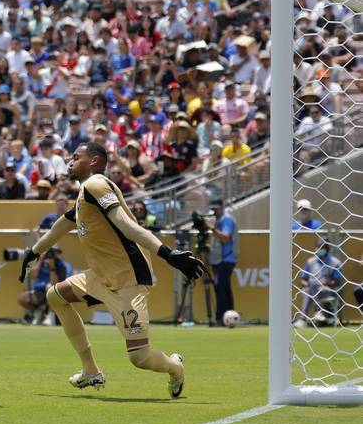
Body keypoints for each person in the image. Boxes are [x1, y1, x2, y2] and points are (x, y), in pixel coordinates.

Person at [19, 142, 204, 398]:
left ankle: (175, 367)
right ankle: (91, 370)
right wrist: (34, 252)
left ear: (94, 161)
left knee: (139, 357)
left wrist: (167, 253)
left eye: (76, 157)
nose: (70, 162)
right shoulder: (85, 194)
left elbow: (126, 225)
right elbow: (60, 227)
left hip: (125, 280)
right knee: (55, 296)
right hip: (98, 278)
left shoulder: (96, 185)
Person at [295, 240, 343, 328]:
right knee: (308, 289)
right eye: (318, 248)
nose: (319, 250)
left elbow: (337, 281)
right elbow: (303, 279)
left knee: (312, 288)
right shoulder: (310, 261)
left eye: (321, 248)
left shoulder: (335, 262)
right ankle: (316, 312)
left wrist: (326, 283)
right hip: (311, 288)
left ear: (327, 249)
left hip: (328, 289)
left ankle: (304, 318)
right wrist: (307, 284)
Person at [18, 248, 71, 325]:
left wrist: (52, 267)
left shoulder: (61, 264)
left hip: (55, 294)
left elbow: (55, 284)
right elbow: (33, 276)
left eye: (53, 252)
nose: (50, 255)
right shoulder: (40, 262)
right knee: (22, 298)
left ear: (58, 253)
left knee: (49, 287)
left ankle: (50, 315)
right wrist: (41, 259)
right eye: (49, 252)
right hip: (40, 292)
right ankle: (38, 312)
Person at [209, 199, 238, 325]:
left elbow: (225, 238)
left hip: (227, 259)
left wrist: (211, 228)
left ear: (221, 208)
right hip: (219, 259)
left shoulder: (227, 219)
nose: (214, 212)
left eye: (215, 209)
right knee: (225, 288)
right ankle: (229, 316)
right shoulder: (218, 220)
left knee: (220, 287)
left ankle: (220, 317)